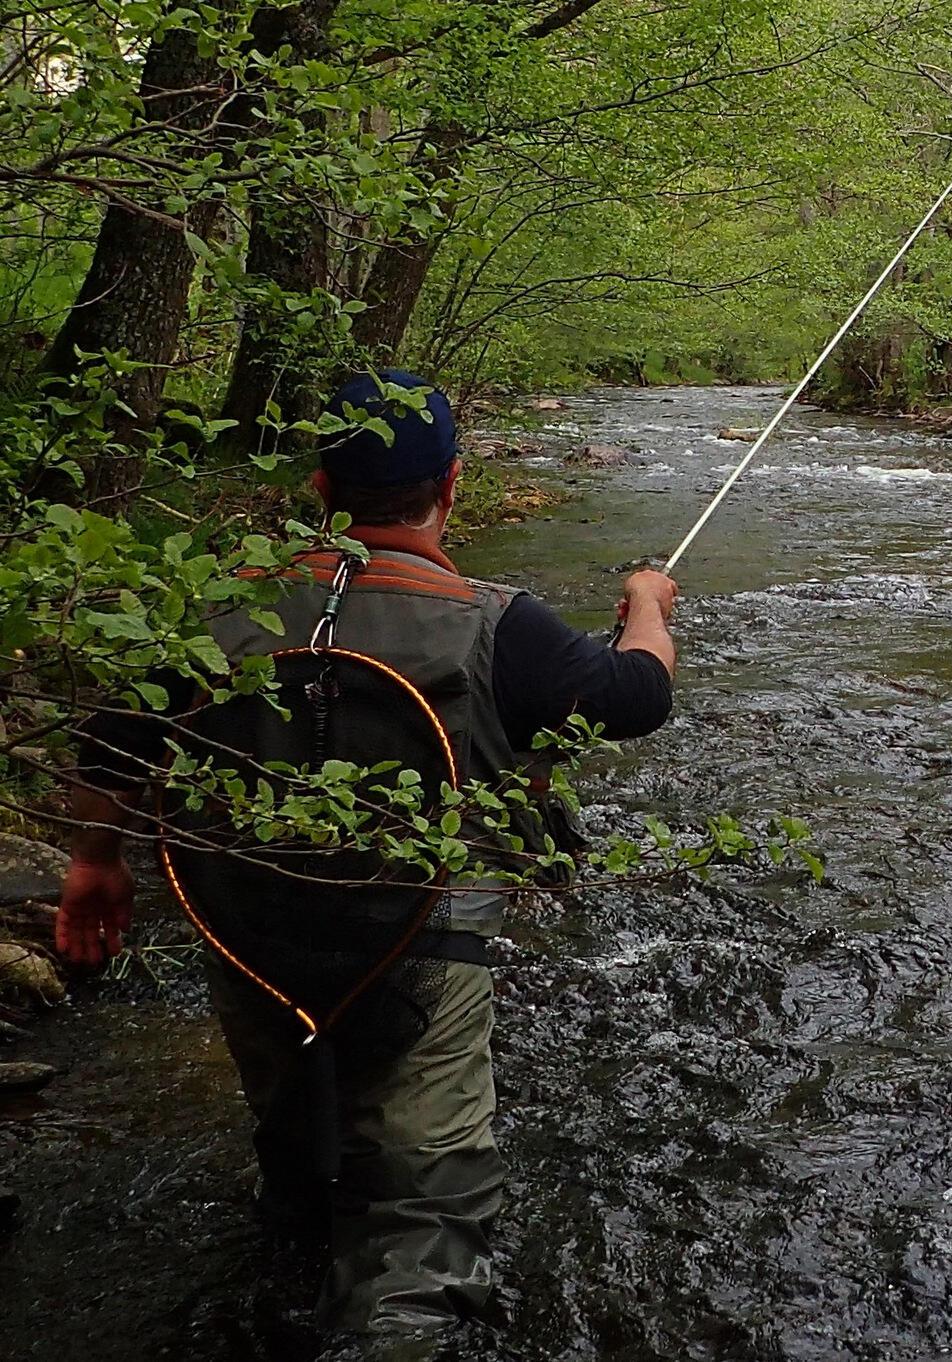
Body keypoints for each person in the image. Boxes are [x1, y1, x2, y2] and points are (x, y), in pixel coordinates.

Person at [55, 370, 680, 1335]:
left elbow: (108, 748)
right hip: (426, 937)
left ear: (317, 487)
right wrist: (648, 603)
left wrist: (98, 863)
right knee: (423, 1213)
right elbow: (638, 696)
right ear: (454, 485)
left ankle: (293, 1240)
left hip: (242, 923)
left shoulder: (213, 609)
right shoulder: (497, 622)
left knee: (297, 1134)